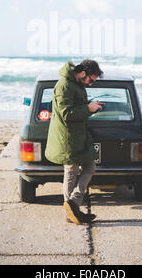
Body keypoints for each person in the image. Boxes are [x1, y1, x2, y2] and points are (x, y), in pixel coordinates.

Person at [45, 59, 104, 225]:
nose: (91, 84)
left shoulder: (75, 84)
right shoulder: (64, 86)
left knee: (89, 166)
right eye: (91, 80)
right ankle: (72, 208)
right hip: (68, 137)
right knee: (71, 170)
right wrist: (88, 108)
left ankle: (72, 206)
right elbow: (66, 114)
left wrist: (90, 107)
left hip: (78, 135)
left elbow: (75, 108)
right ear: (83, 73)